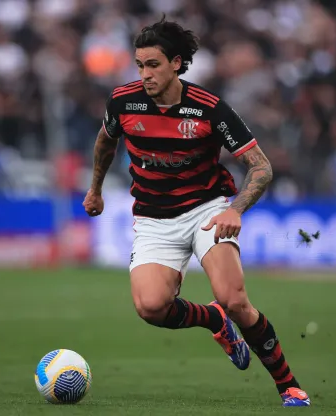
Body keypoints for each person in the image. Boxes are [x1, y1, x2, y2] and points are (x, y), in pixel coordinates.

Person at [82, 17, 311, 407]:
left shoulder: (210, 109)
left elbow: (261, 166)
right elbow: (106, 141)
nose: (145, 74)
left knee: (235, 299)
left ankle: (287, 384)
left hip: (206, 209)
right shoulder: (123, 101)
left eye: (153, 64)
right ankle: (213, 320)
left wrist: (236, 209)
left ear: (176, 63)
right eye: (139, 65)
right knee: (151, 307)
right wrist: (96, 188)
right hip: (153, 217)